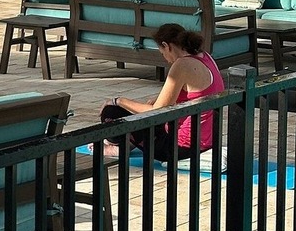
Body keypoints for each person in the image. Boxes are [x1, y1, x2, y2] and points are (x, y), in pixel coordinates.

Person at [95, 24, 224, 161]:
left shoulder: (182, 65)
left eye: (163, 53)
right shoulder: (206, 57)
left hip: (180, 148)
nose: (166, 59)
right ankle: (126, 144)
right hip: (207, 141)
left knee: (110, 112)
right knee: (140, 115)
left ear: (166, 45)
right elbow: (191, 94)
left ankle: (119, 146)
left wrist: (118, 101)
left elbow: (156, 111)